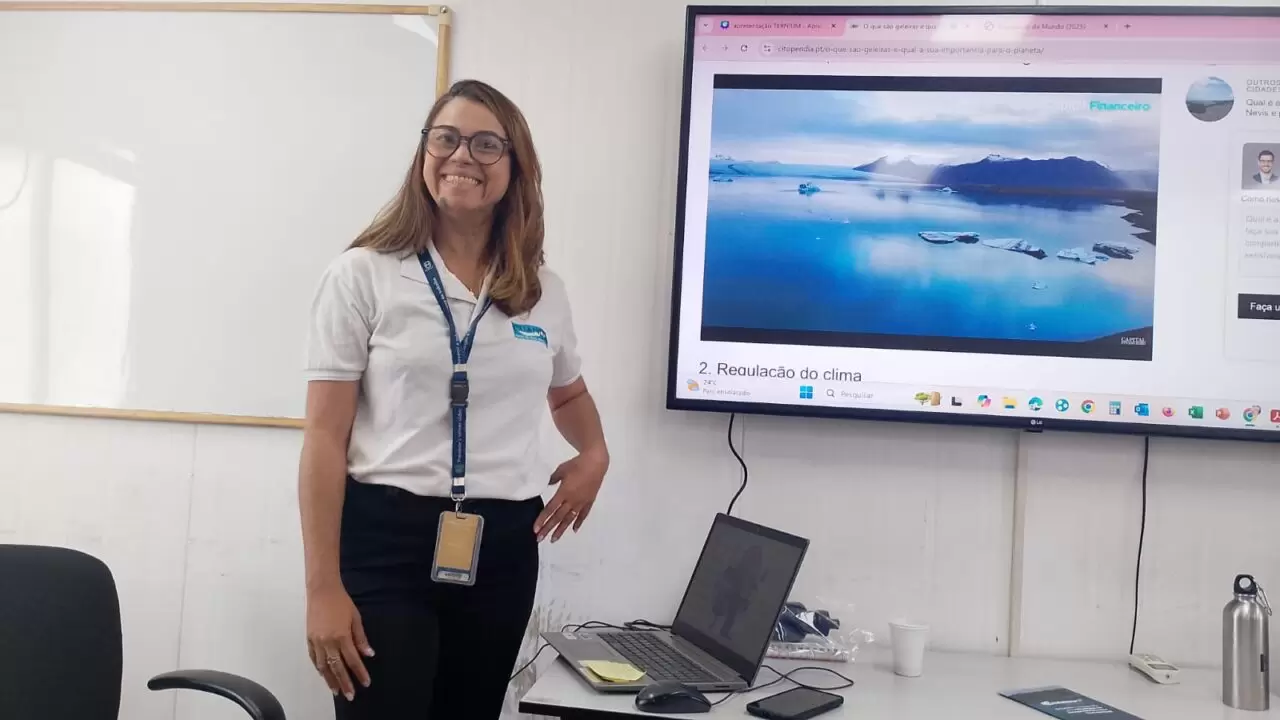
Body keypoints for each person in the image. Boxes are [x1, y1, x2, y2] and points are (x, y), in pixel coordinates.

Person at [298, 79, 609, 719]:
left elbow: (569, 392)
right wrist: (321, 587)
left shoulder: (540, 288)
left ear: (515, 167)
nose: (462, 155)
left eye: (486, 144)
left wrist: (595, 454)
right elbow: (325, 439)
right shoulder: (363, 274)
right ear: (424, 153)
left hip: (502, 549)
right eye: (446, 139)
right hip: (386, 542)